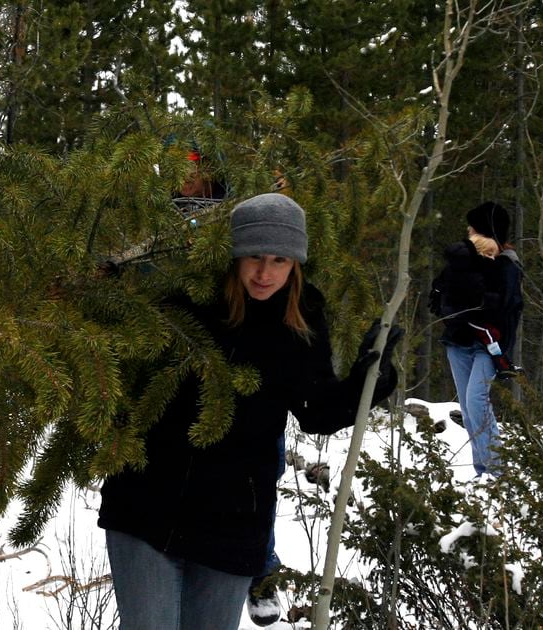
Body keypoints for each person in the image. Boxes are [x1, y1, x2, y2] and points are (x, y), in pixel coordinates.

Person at [97, 192, 402, 629]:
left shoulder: (303, 312)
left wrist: (370, 378)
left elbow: (316, 412)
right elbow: (123, 340)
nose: (265, 273)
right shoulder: (190, 296)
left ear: (295, 263)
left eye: (280, 260)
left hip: (235, 517)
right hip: (148, 502)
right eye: (254, 256)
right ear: (233, 254)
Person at [429, 201, 523, 478]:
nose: (468, 231)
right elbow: (439, 295)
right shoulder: (461, 262)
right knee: (469, 410)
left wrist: (501, 347)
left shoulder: (507, 266)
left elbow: (508, 310)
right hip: (458, 341)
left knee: (476, 401)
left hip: (488, 345)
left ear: (486, 231)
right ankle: (482, 471)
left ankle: (497, 473)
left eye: (473, 227)